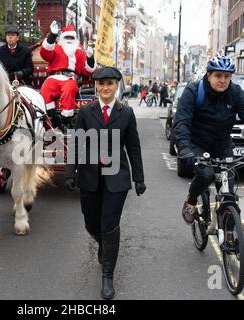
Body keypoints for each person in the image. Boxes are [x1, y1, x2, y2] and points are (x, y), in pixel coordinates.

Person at [65, 67, 146, 300]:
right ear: (96, 87)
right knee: (92, 223)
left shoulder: (126, 113)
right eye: (101, 84)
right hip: (90, 177)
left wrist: (138, 178)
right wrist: (71, 173)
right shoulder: (86, 112)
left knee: (109, 225)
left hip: (116, 178)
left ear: (116, 85)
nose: (105, 88)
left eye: (109, 83)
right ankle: (104, 244)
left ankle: (107, 275)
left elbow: (134, 147)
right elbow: (77, 144)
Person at [174, 55, 244, 225]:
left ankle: (229, 230)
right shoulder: (193, 91)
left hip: (222, 145)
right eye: (218, 75)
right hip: (197, 144)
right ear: (208, 75)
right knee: (205, 175)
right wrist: (184, 147)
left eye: (226, 76)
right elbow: (182, 121)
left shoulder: (235, 93)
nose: (222, 80)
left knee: (229, 185)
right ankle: (191, 200)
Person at [40, 21, 96, 130]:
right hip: (54, 76)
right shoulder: (56, 48)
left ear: (75, 39)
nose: (69, 40)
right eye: (67, 37)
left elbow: (88, 71)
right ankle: (50, 117)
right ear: (62, 38)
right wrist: (52, 35)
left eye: (72, 37)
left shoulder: (79, 52)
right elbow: (45, 54)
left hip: (70, 78)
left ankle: (65, 120)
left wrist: (90, 57)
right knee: (46, 87)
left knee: (69, 89)